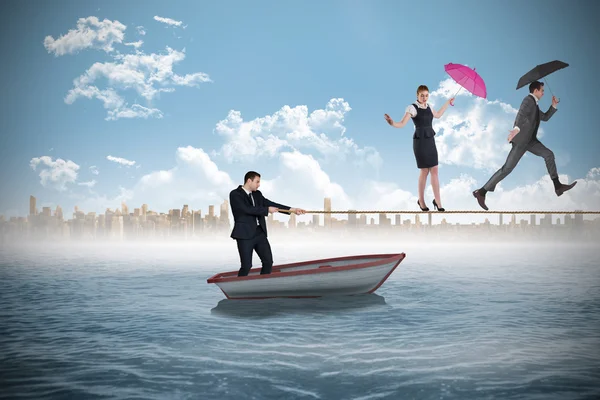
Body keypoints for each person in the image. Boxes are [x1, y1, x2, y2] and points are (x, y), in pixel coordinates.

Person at [473, 81, 576, 210]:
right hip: (521, 142)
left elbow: (544, 117)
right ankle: (481, 192)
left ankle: (557, 186)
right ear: (536, 90)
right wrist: (516, 129)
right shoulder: (528, 100)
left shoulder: (535, 105)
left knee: (549, 154)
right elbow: (520, 114)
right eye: (542, 90)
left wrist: (553, 106)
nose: (543, 93)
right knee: (507, 169)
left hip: (531, 141)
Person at [384, 85, 455, 212]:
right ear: (417, 95)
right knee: (424, 171)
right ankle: (421, 201)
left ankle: (438, 201)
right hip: (420, 142)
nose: (424, 98)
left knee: (435, 170)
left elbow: (438, 115)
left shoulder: (429, 106)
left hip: (430, 141)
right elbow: (401, 124)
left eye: (426, 95)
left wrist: (447, 103)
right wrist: (392, 123)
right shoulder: (412, 107)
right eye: (422, 95)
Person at [229, 171, 306, 277]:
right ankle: (239, 288)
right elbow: (246, 209)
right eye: (257, 182)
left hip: (259, 233)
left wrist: (292, 210)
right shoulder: (235, 194)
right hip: (244, 235)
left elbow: (271, 204)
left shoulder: (257, 194)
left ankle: (262, 285)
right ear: (249, 180)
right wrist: (267, 210)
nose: (259, 184)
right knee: (246, 265)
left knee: (268, 262)